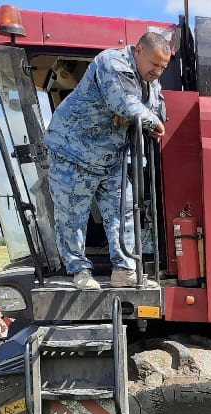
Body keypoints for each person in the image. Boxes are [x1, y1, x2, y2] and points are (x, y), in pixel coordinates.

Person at [44, 31, 171, 290]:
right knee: (72, 216)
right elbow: (126, 105)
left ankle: (124, 271)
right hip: (73, 152)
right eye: (155, 64)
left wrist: (136, 114)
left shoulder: (148, 79)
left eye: (163, 67)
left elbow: (160, 112)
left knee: (124, 210)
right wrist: (135, 114)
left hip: (110, 158)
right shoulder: (111, 62)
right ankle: (79, 271)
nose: (158, 71)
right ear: (138, 51)